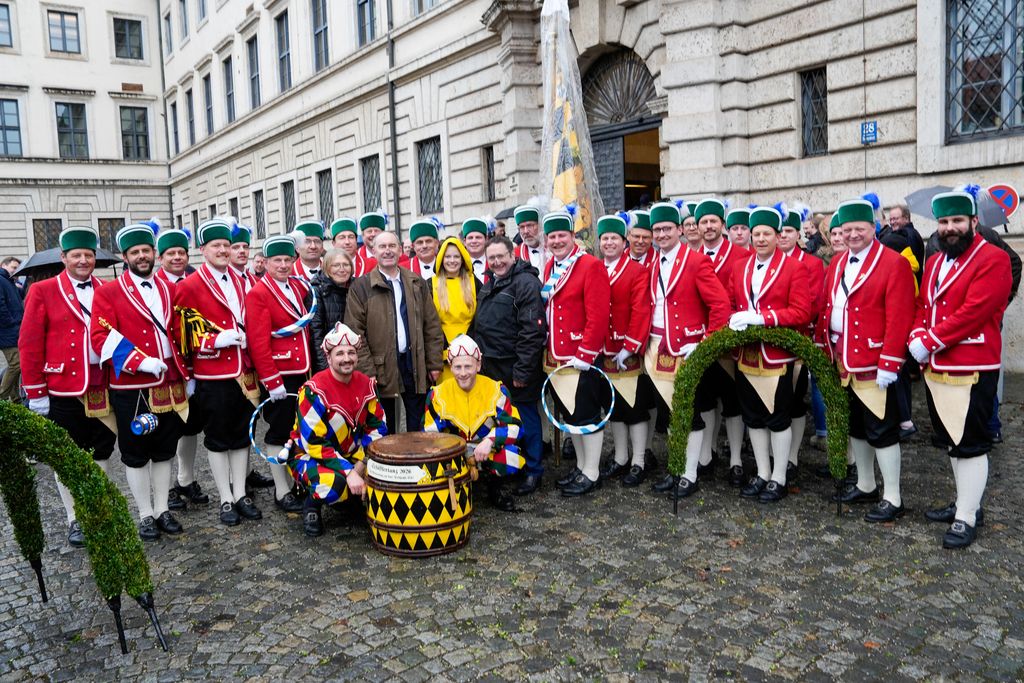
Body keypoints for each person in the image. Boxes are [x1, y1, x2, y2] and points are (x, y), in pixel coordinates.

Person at [910, 187, 1012, 549]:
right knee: (951, 440)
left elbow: (975, 312)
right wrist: (917, 332)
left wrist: (929, 340)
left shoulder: (994, 259)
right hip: (937, 366)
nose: (949, 228)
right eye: (943, 222)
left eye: (957, 220)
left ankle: (966, 517)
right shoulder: (936, 260)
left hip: (973, 365)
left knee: (971, 443)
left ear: (973, 221)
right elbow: (923, 305)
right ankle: (966, 502)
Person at [816, 198, 915, 523]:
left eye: (860, 228)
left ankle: (893, 497)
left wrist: (891, 361)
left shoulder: (893, 262)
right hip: (843, 360)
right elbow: (829, 306)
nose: (853, 234)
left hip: (875, 363)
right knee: (856, 428)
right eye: (847, 230)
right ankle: (866, 484)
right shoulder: (837, 263)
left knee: (882, 431)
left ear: (873, 228)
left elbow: (900, 316)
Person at [91, 221, 190, 541]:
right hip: (132, 387)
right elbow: (99, 337)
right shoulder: (108, 292)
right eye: (135, 252)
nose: (142, 256)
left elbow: (181, 332)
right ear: (125, 257)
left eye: (146, 250)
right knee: (135, 452)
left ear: (154, 253)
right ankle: (145, 513)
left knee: (164, 449)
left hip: (169, 382)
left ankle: (162, 508)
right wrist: (139, 361)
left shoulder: (170, 288)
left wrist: (187, 371)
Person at [20, 226, 117, 547]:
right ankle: (75, 517)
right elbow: (29, 343)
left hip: (103, 384)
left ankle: (97, 509)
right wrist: (36, 392)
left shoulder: (107, 288)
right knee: (68, 455)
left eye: (88, 255)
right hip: (63, 388)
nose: (83, 260)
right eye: (76, 255)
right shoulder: (43, 290)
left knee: (102, 450)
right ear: (64, 257)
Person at [173, 218, 267, 525]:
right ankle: (225, 498)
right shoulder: (189, 285)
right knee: (217, 438)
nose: (224, 250)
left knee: (242, 435)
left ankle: (240, 493)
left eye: (227, 245)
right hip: (213, 374)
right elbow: (180, 334)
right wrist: (215, 340)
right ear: (203, 250)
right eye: (217, 246)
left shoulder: (243, 281)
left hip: (245, 371)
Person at [644, 202, 731, 498]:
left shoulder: (696, 261)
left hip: (686, 350)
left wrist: (705, 342)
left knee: (688, 413)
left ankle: (689, 475)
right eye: (657, 230)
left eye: (667, 229)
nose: (662, 234)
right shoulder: (653, 263)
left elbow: (720, 305)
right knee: (669, 414)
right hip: (656, 349)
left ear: (680, 229)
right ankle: (676, 467)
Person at [726, 207, 812, 502]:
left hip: (777, 358)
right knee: (753, 418)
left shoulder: (794, 268)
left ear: (778, 236)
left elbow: (801, 312)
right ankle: (762, 472)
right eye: (756, 234)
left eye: (767, 233)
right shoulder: (740, 266)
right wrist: (735, 318)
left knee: (778, 418)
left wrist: (763, 318)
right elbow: (732, 302)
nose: (761, 239)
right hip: (747, 357)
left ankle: (779, 477)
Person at [285, 322, 386, 537]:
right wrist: (349, 472)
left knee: (385, 475)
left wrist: (362, 464)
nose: (346, 358)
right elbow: (314, 443)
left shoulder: (366, 385)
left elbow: (378, 428)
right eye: (339, 353)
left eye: (351, 352)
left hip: (353, 454)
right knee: (334, 485)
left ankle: (349, 500)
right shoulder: (313, 391)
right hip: (310, 455)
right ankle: (311, 505)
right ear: (329, 358)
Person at [345, 230, 444, 432]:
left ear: (400, 250)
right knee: (386, 425)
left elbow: (432, 325)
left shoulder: (416, 282)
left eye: (392, 246)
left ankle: (415, 451)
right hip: (380, 366)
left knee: (417, 423)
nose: (387, 251)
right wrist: (367, 370)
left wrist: (434, 363)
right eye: (382, 246)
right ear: (373, 251)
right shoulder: (361, 287)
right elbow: (355, 332)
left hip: (413, 363)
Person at [542, 210, 611, 497]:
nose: (557, 241)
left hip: (580, 357)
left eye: (562, 235)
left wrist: (586, 352)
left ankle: (592, 472)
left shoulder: (590, 265)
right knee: (571, 417)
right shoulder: (550, 266)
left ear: (573, 236)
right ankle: (582, 467)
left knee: (586, 416)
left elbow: (599, 315)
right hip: (556, 358)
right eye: (552, 236)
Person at [472, 235, 547, 495]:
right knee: (503, 421)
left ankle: (534, 471)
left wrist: (522, 371)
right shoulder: (490, 282)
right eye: (491, 258)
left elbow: (532, 331)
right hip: (492, 367)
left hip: (517, 367)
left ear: (512, 256)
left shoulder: (525, 283)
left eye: (500, 256)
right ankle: (511, 466)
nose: (496, 262)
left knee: (526, 418)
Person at [245, 234, 314, 515]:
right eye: (277, 260)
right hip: (281, 374)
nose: (283, 265)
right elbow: (258, 342)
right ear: (266, 262)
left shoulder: (297, 286)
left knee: (296, 430)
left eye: (287, 260)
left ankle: (295, 480)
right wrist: (271, 380)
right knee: (278, 432)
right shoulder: (258, 293)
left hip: (301, 370)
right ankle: (281, 490)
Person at [424, 334, 523, 511]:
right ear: (450, 366)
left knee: (511, 457)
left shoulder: (496, 390)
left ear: (478, 365)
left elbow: (515, 426)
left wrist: (490, 441)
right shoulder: (437, 395)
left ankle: (495, 487)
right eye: (458, 367)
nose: (463, 373)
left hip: (485, 449)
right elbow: (429, 434)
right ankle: (454, 487)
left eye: (468, 366)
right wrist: (451, 452)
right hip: (454, 452)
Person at [593, 214, 653, 487]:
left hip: (626, 349)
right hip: (602, 350)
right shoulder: (594, 268)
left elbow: (641, 309)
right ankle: (620, 456)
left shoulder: (637, 271)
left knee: (635, 408)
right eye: (605, 238)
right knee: (614, 407)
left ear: (624, 241)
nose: (609, 243)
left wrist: (630, 346)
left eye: (614, 238)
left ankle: (639, 460)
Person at [696, 198, 748, 486]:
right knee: (704, 399)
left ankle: (736, 459)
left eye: (713, 221)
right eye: (703, 222)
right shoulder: (691, 256)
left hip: (730, 341)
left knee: (732, 402)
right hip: (700, 340)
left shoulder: (741, 255)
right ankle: (707, 453)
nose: (708, 226)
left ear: (722, 224)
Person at [778, 204, 826, 483]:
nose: (784, 235)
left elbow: (814, 303)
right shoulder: (761, 260)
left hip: (797, 340)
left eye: (789, 231)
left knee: (795, 401)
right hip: (766, 344)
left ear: (799, 234)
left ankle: (792, 457)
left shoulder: (812, 263)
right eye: (780, 231)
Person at [430, 236, 482, 383]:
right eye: (447, 257)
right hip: (442, 354)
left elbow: (481, 317)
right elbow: (429, 323)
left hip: (471, 352)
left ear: (463, 258)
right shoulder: (430, 285)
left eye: (456, 256)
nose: (452, 261)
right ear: (441, 259)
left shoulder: (474, 282)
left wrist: (466, 346)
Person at [310, 249, 355, 372]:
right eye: (336, 265)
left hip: (355, 358)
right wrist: (326, 368)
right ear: (326, 267)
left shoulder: (357, 287)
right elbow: (316, 333)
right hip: (330, 361)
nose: (342, 269)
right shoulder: (317, 290)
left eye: (346, 265)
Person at [0, 252, 24, 402]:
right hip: (7, 331)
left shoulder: (10, 281)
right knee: (17, 364)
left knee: (16, 365)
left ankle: (15, 400)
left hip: (13, 330)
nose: (16, 271)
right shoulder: (1, 280)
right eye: (13, 267)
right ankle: (2, 397)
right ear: (3, 265)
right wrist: (12, 322)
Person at [512, 205, 548, 278]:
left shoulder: (552, 250)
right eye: (522, 227)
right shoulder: (515, 254)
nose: (526, 231)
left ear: (540, 226)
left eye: (530, 225)